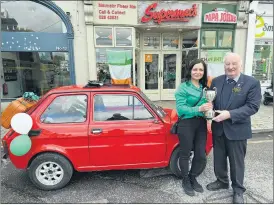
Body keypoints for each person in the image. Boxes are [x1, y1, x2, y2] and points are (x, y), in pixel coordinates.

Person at [207, 52, 261, 203]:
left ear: (240, 65)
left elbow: (252, 107)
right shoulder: (216, 82)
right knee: (219, 158)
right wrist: (209, 107)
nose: (230, 67)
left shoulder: (251, 83)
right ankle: (222, 181)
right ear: (224, 65)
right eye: (227, 64)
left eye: (234, 64)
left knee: (237, 162)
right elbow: (212, 101)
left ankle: (238, 190)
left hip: (237, 130)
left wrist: (229, 114)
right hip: (219, 128)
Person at [175, 59, 213, 196]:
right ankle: (185, 180)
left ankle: (193, 176)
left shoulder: (205, 87)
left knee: (201, 155)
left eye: (201, 70)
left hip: (201, 123)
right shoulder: (183, 87)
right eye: (195, 69)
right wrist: (199, 108)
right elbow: (181, 110)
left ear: (204, 72)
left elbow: (208, 105)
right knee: (185, 153)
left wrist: (209, 114)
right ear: (190, 71)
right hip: (186, 123)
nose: (198, 72)